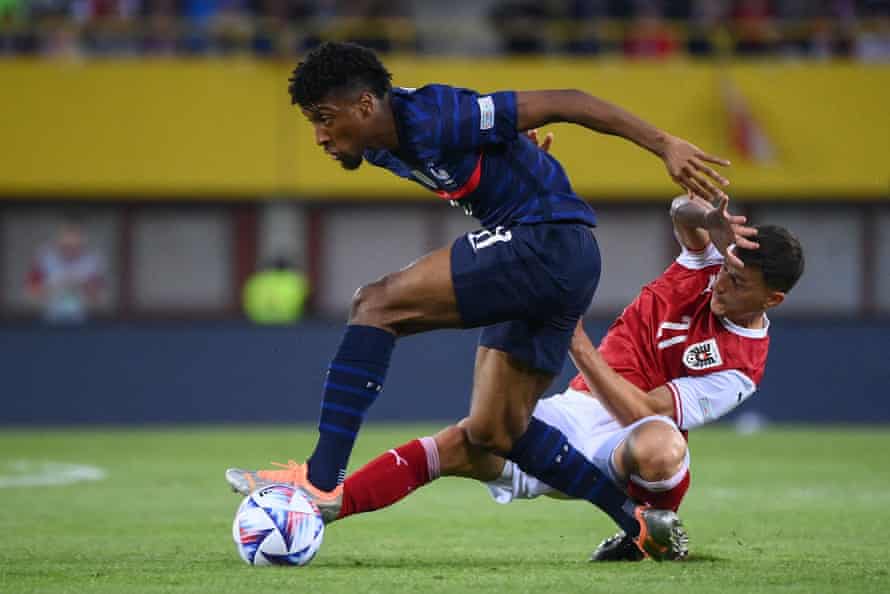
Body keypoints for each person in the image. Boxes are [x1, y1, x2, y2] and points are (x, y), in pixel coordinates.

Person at [227, 41, 733, 559]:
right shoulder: (379, 144)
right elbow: (490, 161)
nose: (319, 137)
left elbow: (571, 99)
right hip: (562, 263)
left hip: (547, 243)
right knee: (496, 431)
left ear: (364, 106)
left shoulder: (437, 115)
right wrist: (526, 163)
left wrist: (665, 144)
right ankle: (637, 521)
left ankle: (321, 477)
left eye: (324, 119)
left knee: (376, 304)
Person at [237, 194, 803, 561]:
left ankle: (653, 534)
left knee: (662, 444)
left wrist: (575, 340)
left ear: (772, 298)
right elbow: (681, 212)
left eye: (739, 283)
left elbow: (643, 411)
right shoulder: (705, 267)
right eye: (727, 267)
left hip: (626, 438)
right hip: (577, 410)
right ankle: (324, 505)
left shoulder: (740, 370)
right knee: (465, 440)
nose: (722, 283)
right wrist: (707, 220)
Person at [26, 216, 106, 324]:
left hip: (83, 322)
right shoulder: (44, 258)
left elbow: (100, 299)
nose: (71, 240)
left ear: (82, 238)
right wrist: (54, 286)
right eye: (67, 235)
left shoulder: (92, 261)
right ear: (59, 237)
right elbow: (31, 295)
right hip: (49, 321)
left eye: (76, 236)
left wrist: (82, 286)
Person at [242, 256, 310, 325]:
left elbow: (246, 299)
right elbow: (307, 302)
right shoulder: (295, 280)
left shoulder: (256, 280)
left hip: (258, 320)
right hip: (288, 320)